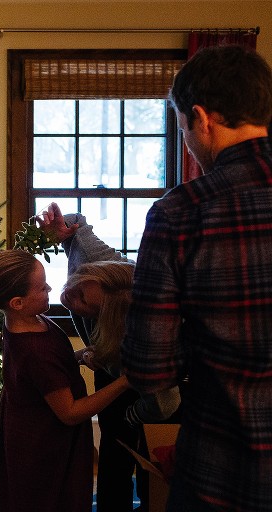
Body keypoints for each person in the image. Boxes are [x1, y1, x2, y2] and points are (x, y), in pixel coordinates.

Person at [120, 44, 272, 512]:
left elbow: (149, 366)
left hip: (221, 468)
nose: (187, 138)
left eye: (183, 127)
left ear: (202, 118)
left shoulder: (181, 211)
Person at [39, 204, 181, 512]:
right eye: (77, 286)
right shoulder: (91, 262)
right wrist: (63, 231)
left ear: (108, 319)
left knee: (149, 448)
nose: (68, 297)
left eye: (81, 301)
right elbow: (77, 224)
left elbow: (166, 402)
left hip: (155, 377)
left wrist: (132, 414)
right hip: (113, 355)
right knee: (114, 448)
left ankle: (150, 501)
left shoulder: (142, 334)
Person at [0, 249, 129, 511]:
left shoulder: (29, 321)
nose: (50, 288)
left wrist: (80, 355)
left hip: (32, 428)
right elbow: (71, 413)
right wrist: (123, 382)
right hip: (45, 444)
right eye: (42, 288)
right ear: (17, 302)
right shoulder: (35, 350)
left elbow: (47, 370)